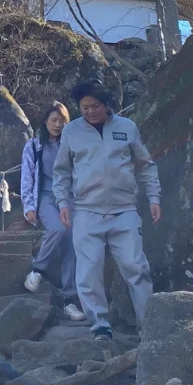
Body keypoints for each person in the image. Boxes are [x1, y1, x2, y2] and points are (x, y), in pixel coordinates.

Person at [52, 80, 160, 341]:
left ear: (107, 105)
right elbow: (61, 172)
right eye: (84, 107)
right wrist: (62, 203)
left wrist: (154, 197)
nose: (89, 111)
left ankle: (148, 327)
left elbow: (146, 165)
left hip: (124, 210)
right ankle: (99, 325)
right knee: (89, 271)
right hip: (86, 211)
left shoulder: (127, 127)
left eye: (95, 106)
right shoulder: (71, 132)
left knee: (136, 267)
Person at [21, 101, 84, 322]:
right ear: (45, 121)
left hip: (70, 198)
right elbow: (27, 177)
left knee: (72, 240)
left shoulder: (71, 144)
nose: (58, 125)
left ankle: (70, 300)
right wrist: (29, 206)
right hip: (45, 197)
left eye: (62, 121)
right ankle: (37, 269)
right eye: (54, 120)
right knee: (58, 229)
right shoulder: (34, 146)